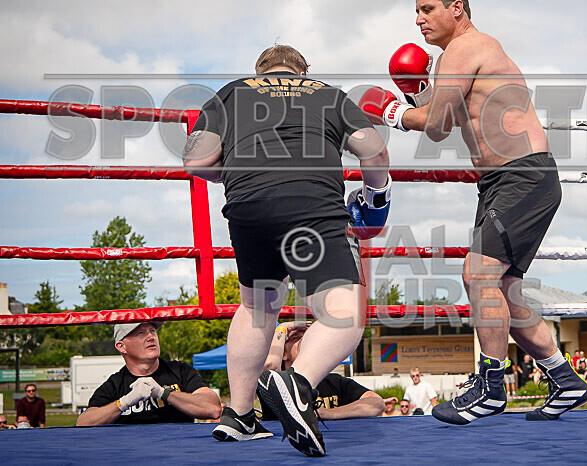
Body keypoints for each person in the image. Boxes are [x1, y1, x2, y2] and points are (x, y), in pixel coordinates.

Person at [359, 0, 587, 425]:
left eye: (428, 10)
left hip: (522, 175)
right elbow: (444, 123)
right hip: (502, 182)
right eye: (418, 12)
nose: (419, 20)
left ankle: (490, 387)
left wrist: (392, 111)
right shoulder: (454, 59)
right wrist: (414, 92)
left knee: (477, 273)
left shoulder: (467, 48)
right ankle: (564, 379)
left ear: (457, 9)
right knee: (502, 291)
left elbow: (434, 121)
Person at [184, 45, 390, 456]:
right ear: (302, 71)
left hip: (245, 208)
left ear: (260, 71)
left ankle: (239, 415)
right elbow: (374, 150)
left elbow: (196, 160)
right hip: (310, 202)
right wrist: (376, 195)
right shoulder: (326, 93)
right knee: (344, 310)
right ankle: (295, 384)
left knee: (257, 306)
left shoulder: (231, 92)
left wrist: (247, 170)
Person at [77, 322, 221, 427]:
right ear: (121, 346)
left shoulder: (180, 370)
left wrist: (164, 393)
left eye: (152, 330)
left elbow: (213, 409)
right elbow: (84, 423)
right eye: (140, 333)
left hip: (179, 452)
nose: (150, 336)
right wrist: (124, 402)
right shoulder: (115, 385)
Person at [262, 321, 384, 421]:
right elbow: (270, 367)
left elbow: (377, 404)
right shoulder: (277, 383)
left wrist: (329, 413)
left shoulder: (335, 382)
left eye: (307, 337)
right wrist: (283, 328)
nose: (303, 341)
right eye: (295, 338)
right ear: (284, 354)